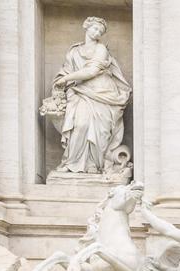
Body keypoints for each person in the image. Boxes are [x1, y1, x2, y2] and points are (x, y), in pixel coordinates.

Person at [49, 16, 130, 174]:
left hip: (102, 92)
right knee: (80, 125)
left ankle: (94, 164)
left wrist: (66, 79)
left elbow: (92, 71)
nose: (97, 32)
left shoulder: (101, 49)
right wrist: (62, 81)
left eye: (100, 31)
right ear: (86, 27)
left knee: (101, 130)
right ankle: (72, 162)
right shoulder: (74, 51)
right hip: (80, 92)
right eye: (95, 28)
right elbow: (66, 70)